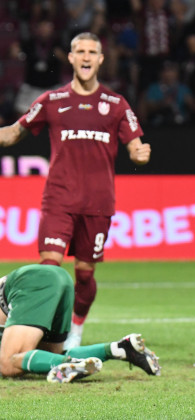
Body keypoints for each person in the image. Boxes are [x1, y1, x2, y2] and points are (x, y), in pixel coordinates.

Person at [0, 32, 151, 351]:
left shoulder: (116, 105)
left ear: (100, 59)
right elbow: (14, 133)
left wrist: (139, 153)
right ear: (70, 58)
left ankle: (76, 327)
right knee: (49, 267)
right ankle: (42, 333)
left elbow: (135, 145)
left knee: (84, 274)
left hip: (97, 204)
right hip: (58, 200)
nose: (85, 57)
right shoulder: (51, 101)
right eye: (79, 51)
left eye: (91, 52)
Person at [0, 264, 160, 382]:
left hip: (33, 281)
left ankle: (70, 364)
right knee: (49, 357)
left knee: (8, 363)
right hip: (59, 278)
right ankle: (120, 348)